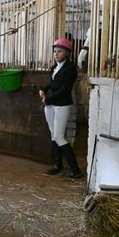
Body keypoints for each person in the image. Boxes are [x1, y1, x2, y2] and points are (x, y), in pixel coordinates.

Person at [39, 37, 82, 179]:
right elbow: (52, 85)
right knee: (53, 135)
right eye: (55, 51)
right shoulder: (54, 67)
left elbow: (64, 90)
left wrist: (48, 98)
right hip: (50, 104)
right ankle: (58, 165)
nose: (56, 54)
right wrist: (43, 89)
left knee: (59, 136)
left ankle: (75, 169)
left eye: (60, 51)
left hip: (62, 104)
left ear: (67, 53)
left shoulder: (70, 69)